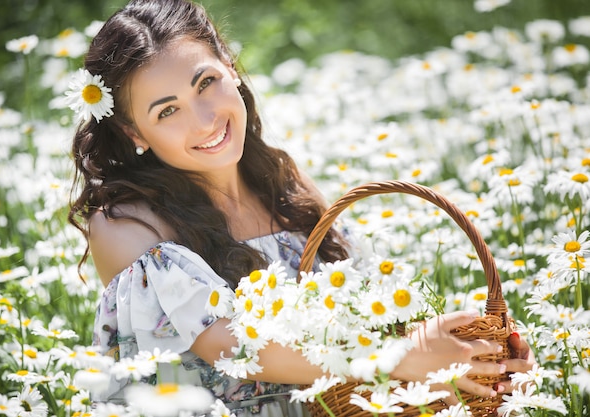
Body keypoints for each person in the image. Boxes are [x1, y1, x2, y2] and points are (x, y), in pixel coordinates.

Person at [67, 0, 535, 415]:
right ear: (134, 134)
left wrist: (471, 359)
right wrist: (397, 356)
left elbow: (369, 318)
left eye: (205, 83)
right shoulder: (124, 225)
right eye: (167, 111)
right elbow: (236, 347)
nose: (205, 120)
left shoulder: (285, 188)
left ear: (230, 67)